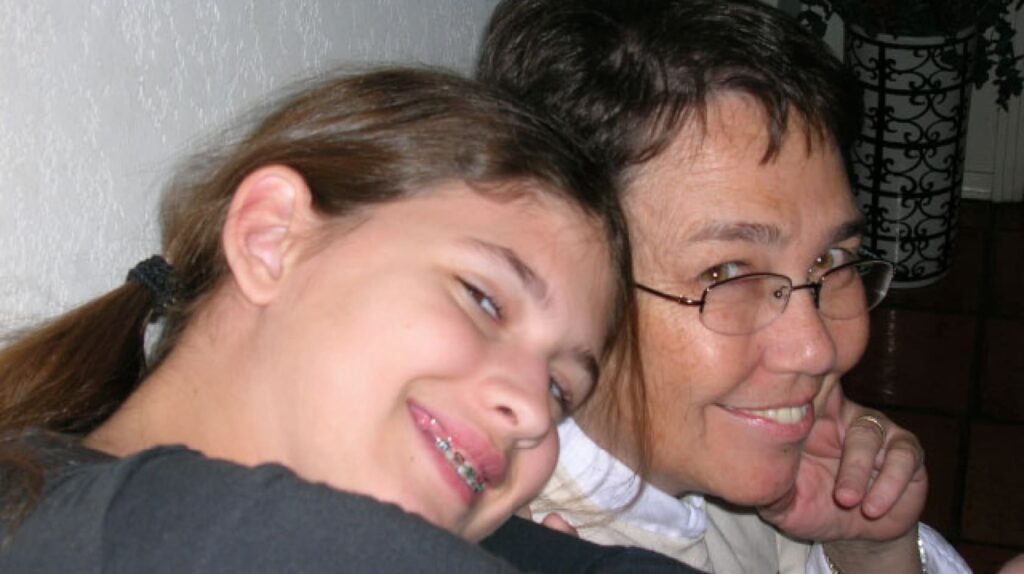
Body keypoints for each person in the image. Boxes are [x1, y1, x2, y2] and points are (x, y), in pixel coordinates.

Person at [0, 66, 699, 573]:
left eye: (560, 388)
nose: (532, 413)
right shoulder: (170, 534)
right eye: (482, 298)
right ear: (272, 238)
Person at [477, 1, 971, 573]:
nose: (818, 350)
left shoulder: (766, 471)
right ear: (551, 288)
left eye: (832, 259)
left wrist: (869, 551)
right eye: (727, 275)